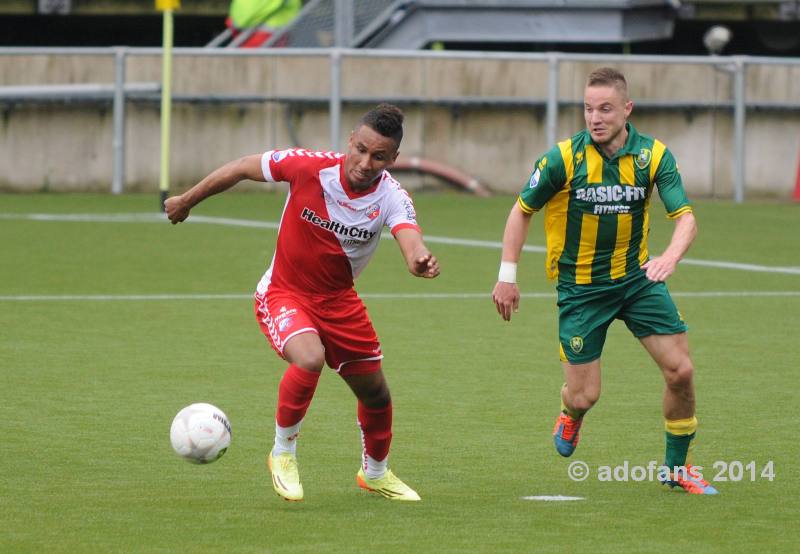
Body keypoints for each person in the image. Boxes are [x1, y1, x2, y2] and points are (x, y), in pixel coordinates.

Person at [165, 103, 439, 502]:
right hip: (283, 292)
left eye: (378, 156)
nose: (365, 161)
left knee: (376, 395)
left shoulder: (392, 197)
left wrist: (418, 260)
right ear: (351, 140)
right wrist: (187, 200)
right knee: (309, 357)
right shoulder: (308, 166)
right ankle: (282, 453)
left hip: (340, 303)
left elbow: (410, 238)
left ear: (392, 159)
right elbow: (243, 166)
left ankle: (375, 473)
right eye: (361, 149)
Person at [492, 67, 718, 495]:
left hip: (638, 281)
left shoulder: (653, 156)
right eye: (588, 108)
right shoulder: (562, 158)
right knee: (584, 396)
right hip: (581, 290)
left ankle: (676, 468)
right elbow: (521, 210)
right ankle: (570, 413)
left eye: (605, 109)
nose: (595, 117)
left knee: (681, 371)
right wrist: (507, 276)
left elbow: (686, 218)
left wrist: (669, 257)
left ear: (627, 109)